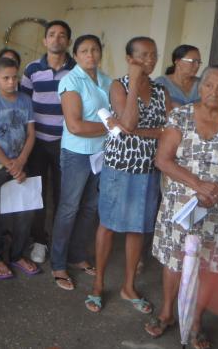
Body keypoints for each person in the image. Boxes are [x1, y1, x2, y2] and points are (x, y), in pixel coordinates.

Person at [145, 65, 218, 349]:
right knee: (174, 261)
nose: (213, 92)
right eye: (208, 85)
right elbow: (163, 159)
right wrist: (197, 184)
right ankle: (167, 313)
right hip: (181, 204)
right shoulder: (180, 115)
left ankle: (196, 322)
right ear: (200, 87)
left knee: (209, 266)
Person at [90, 36, 171, 314]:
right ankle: (98, 285)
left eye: (154, 55)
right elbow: (127, 122)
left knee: (137, 227)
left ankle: (128, 286)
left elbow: (169, 131)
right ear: (130, 59)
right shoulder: (118, 85)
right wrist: (135, 83)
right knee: (109, 224)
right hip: (120, 165)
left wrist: (140, 133)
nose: (150, 60)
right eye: (144, 56)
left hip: (148, 168)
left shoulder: (162, 91)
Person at [50, 35, 113, 292]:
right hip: (77, 154)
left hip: (100, 153)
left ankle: (77, 256)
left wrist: (108, 128)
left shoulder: (108, 80)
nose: (91, 55)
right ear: (75, 56)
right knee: (68, 208)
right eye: (84, 51)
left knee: (90, 208)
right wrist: (112, 127)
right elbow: (75, 126)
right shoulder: (71, 81)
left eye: (95, 50)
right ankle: (58, 263)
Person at [21, 20, 75, 263]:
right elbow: (23, 105)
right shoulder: (32, 69)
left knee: (63, 195)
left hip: (67, 142)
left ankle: (60, 244)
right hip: (38, 142)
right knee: (38, 192)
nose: (56, 39)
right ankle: (40, 240)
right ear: (44, 41)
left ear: (68, 41)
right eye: (51, 35)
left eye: (62, 35)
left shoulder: (77, 71)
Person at [0, 57, 39, 279]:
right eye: (5, 78)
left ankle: (17, 254)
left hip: (21, 163)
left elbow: (31, 133)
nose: (11, 82)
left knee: (25, 211)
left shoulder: (25, 101)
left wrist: (21, 161)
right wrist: (10, 165)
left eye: (14, 77)